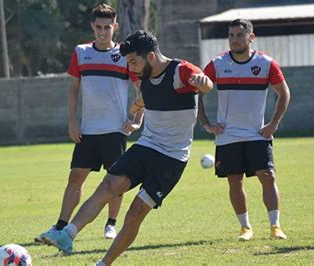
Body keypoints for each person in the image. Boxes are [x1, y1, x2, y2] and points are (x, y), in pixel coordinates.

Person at [39, 30, 213, 265]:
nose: (130, 68)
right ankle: (67, 234)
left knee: (135, 213)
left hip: (171, 158)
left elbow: (204, 83)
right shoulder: (145, 78)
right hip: (147, 146)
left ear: (151, 56)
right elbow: (143, 99)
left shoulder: (180, 71)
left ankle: (104, 263)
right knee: (110, 184)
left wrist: (204, 83)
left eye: (134, 61)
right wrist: (135, 109)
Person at [34, 3, 142, 242]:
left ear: (115, 26)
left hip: (115, 130)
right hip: (87, 130)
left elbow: (140, 88)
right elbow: (73, 89)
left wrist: (136, 120)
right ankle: (60, 226)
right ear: (92, 27)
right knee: (75, 177)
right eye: (99, 27)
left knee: (115, 181)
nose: (103, 32)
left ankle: (111, 224)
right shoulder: (81, 52)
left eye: (107, 27)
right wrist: (72, 122)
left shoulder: (124, 55)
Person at [198, 18, 290, 241]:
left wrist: (273, 124)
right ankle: (245, 228)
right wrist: (207, 124)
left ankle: (275, 226)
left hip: (257, 134)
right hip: (227, 136)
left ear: (251, 37)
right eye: (231, 35)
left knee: (267, 176)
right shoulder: (217, 64)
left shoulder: (266, 64)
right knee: (234, 180)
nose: (234, 40)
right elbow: (197, 92)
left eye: (239, 35)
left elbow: (284, 94)